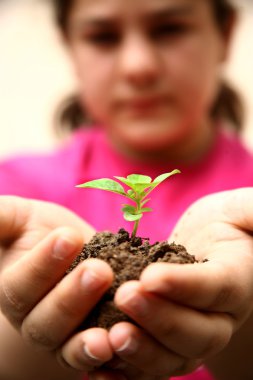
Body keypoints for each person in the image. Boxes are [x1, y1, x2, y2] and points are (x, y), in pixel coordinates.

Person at [0, 0, 253, 378]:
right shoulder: (20, 189)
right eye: (103, 37)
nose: (139, 66)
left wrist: (244, 307)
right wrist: (29, 329)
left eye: (170, 29)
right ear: (70, 46)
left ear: (226, 33)